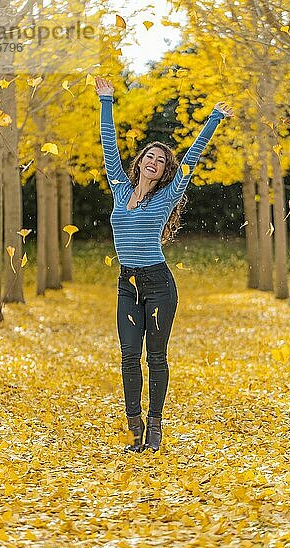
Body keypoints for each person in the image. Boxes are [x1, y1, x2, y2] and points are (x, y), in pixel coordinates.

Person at [95, 76, 233, 453]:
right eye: (149, 157)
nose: (154, 162)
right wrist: (106, 101)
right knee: (128, 356)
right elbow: (109, 148)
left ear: (163, 170)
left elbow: (189, 161)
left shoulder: (167, 197)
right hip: (128, 283)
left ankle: (155, 427)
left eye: (161, 160)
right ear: (139, 163)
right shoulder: (121, 188)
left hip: (157, 284)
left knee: (155, 356)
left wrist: (214, 119)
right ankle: (134, 427)